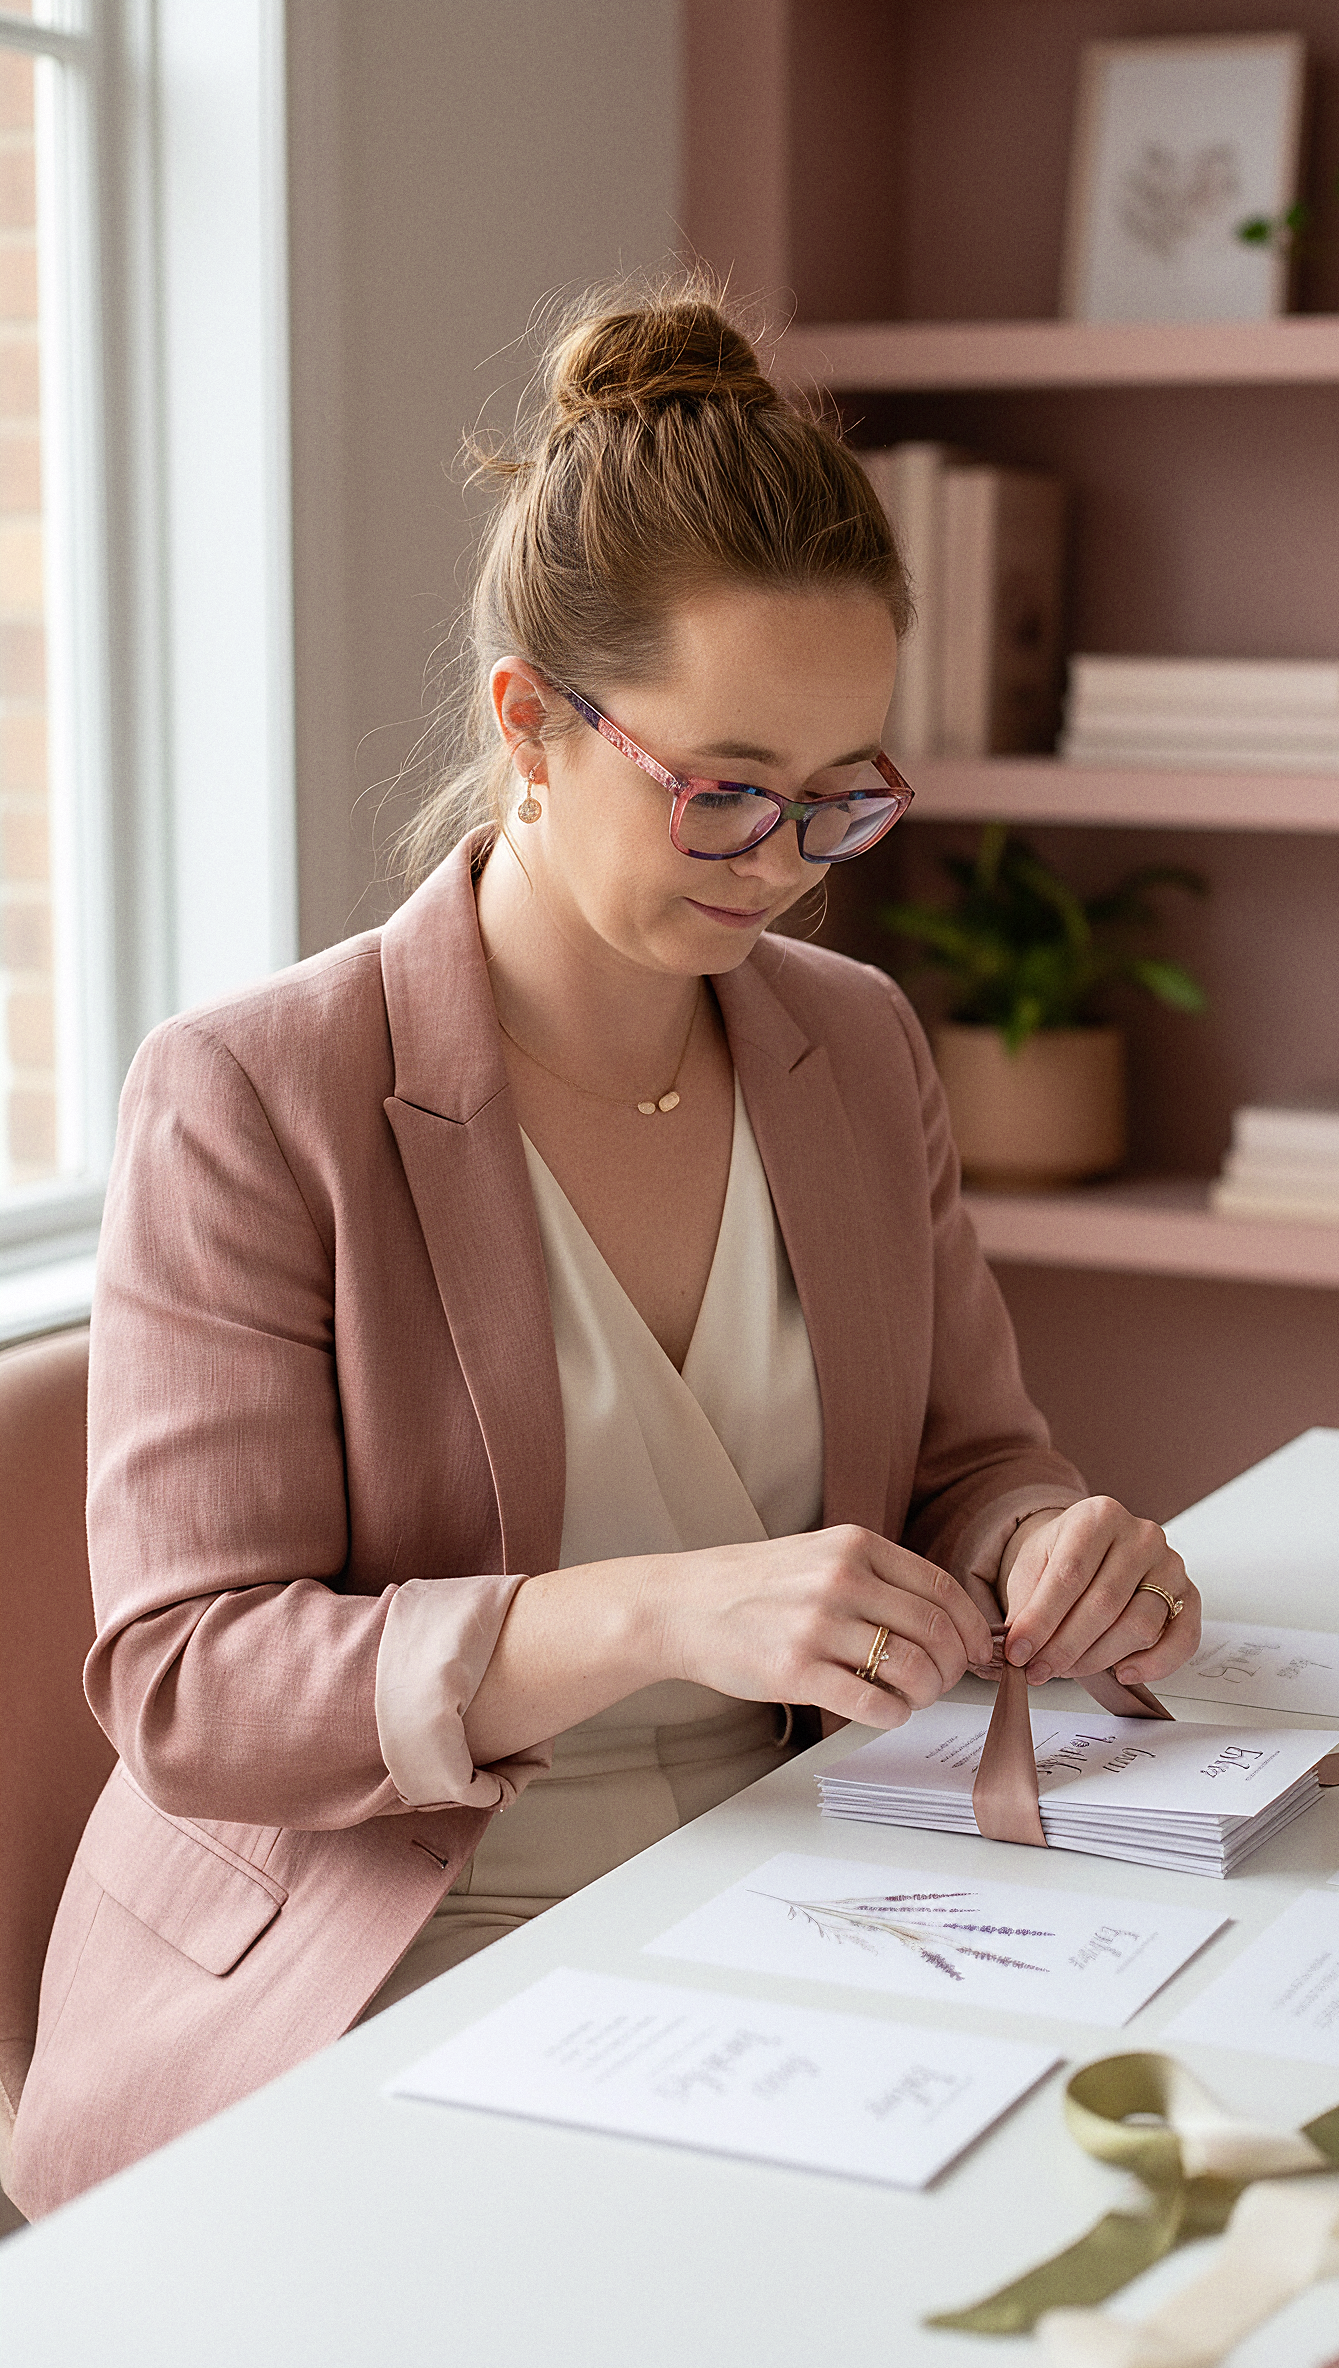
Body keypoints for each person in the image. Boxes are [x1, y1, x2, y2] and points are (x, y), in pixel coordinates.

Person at [8, 279, 1197, 2218]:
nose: (785, 856)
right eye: (722, 785)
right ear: (529, 724)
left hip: (798, 1879)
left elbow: (977, 1453)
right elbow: (190, 1687)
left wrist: (1043, 1541)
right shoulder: (255, 1091)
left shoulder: (856, 1040)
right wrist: (655, 1611)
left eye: (843, 794)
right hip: (388, 1956)